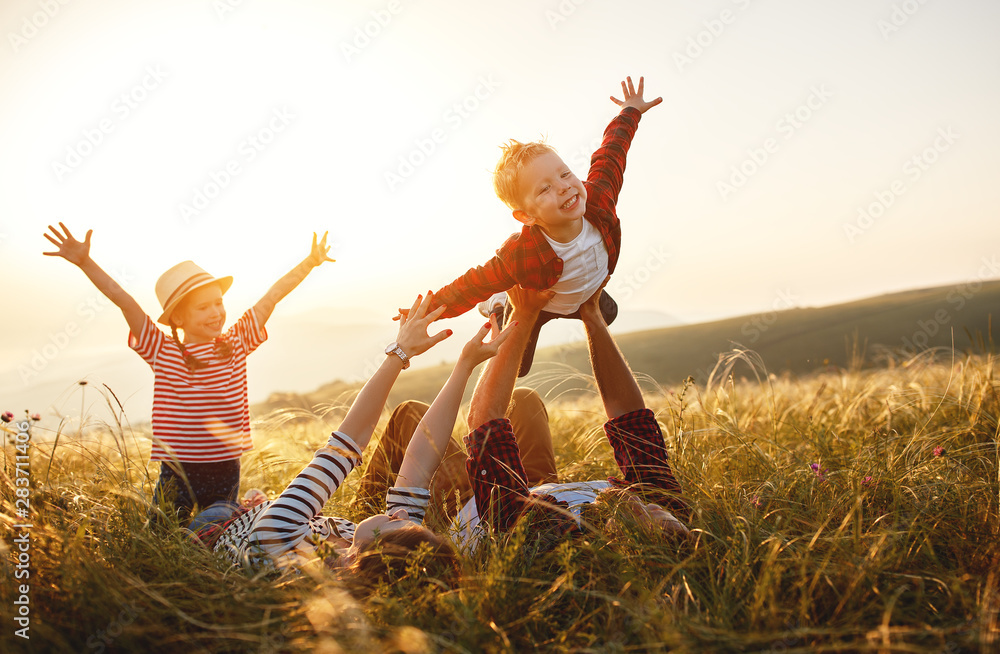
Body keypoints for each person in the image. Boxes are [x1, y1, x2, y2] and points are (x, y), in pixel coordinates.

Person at [197, 294, 515, 584]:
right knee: (267, 503)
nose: (403, 514)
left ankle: (253, 504)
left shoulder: (276, 542)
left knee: (215, 508)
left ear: (361, 560)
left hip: (219, 524)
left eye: (399, 524)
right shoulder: (364, 545)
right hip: (275, 514)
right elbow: (421, 458)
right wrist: (465, 365)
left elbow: (347, 443)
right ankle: (260, 502)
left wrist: (400, 352)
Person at [43, 223, 334, 521]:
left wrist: (310, 262)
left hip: (225, 464)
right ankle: (243, 508)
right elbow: (124, 300)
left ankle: (242, 511)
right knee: (164, 531)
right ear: (178, 317)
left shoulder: (236, 342)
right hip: (177, 466)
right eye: (203, 307)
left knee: (217, 528)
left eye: (218, 303)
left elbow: (271, 297)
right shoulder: (162, 350)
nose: (216, 313)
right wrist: (85, 262)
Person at [399, 76, 663, 377]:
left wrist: (630, 111)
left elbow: (611, 155)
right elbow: (471, 285)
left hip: (584, 289)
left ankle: (580, 297)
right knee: (517, 366)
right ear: (526, 216)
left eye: (565, 174)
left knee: (609, 314)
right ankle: (499, 303)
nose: (564, 187)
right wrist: (424, 314)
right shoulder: (520, 255)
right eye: (544, 189)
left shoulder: (599, 199)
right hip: (543, 300)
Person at [460, 283, 690, 550]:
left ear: (621, 544)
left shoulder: (553, 541)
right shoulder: (665, 506)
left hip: (472, 502)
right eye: (664, 514)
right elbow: (630, 418)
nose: (643, 502)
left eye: (642, 515)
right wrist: (591, 314)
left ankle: (508, 313)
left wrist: (522, 314)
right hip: (541, 489)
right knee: (524, 400)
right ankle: (522, 310)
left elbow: (483, 419)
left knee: (412, 415)